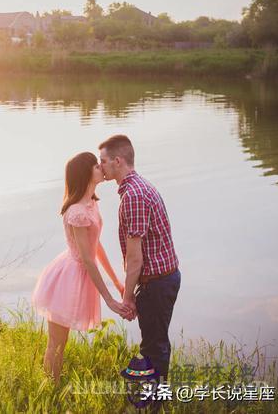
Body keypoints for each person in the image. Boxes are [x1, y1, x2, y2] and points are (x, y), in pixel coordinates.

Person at [32, 152, 129, 384]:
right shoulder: (76, 211)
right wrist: (109, 299)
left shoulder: (91, 204)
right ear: (85, 173)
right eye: (96, 165)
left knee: (60, 343)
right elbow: (87, 258)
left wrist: (117, 282)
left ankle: (53, 387)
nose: (101, 167)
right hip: (68, 277)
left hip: (81, 272)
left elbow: (96, 247)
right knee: (56, 342)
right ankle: (51, 391)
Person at [98, 134, 181, 385]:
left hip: (157, 282)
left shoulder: (133, 196)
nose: (100, 166)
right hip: (161, 279)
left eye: (103, 161)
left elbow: (135, 259)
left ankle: (154, 403)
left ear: (118, 161)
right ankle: (156, 397)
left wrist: (126, 298)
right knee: (157, 342)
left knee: (153, 347)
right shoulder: (139, 187)